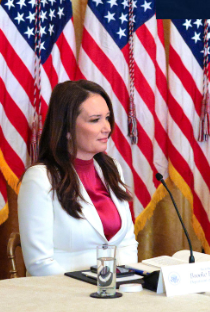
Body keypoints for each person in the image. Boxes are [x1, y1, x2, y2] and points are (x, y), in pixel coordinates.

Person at [18, 80, 138, 276]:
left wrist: (122, 283)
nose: (107, 127)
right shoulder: (40, 178)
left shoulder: (112, 168)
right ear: (67, 129)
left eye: (107, 118)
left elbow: (127, 242)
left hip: (115, 293)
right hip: (63, 298)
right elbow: (39, 263)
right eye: (95, 119)